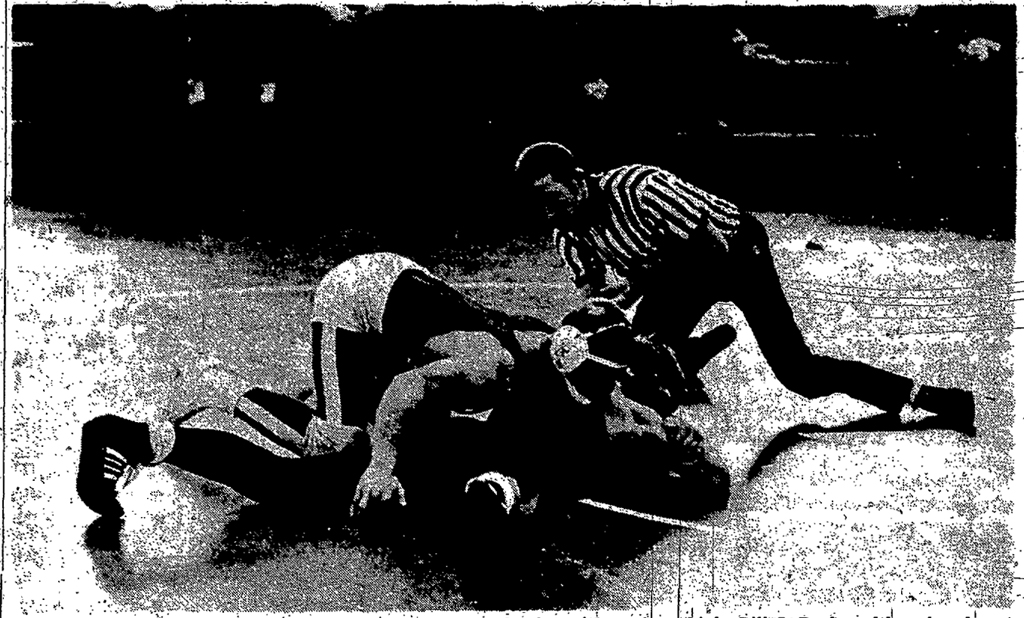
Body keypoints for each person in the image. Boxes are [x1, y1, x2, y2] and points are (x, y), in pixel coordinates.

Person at [76, 302, 727, 523]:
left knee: (324, 469)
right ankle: (140, 436)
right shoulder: (498, 365)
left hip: (434, 418)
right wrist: (385, 463)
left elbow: (643, 430)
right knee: (320, 469)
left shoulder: (606, 402)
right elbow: (409, 390)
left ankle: (234, 413)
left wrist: (685, 443)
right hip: (387, 368)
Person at [514, 142, 975, 435]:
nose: (549, 214)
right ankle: (676, 377)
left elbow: (710, 253)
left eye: (552, 199)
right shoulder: (567, 234)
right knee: (632, 355)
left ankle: (922, 396)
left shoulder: (642, 188)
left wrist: (658, 331)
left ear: (578, 179)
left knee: (801, 374)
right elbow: (603, 305)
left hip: (734, 252)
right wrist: (617, 333)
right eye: (538, 207)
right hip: (675, 273)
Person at [309, 252, 552, 430]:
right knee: (340, 435)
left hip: (392, 283)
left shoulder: (495, 346)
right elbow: (407, 387)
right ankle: (290, 410)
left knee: (376, 418)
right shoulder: (486, 367)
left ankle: (320, 398)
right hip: (350, 293)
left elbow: (503, 322)